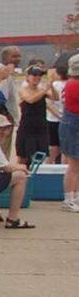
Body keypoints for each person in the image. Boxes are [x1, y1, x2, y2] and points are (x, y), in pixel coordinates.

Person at [0, 46, 23, 155]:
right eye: (14, 56)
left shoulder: (9, 74)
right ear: (5, 57)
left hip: (7, 118)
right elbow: (0, 99)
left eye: (19, 56)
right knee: (1, 152)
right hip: (3, 119)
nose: (18, 59)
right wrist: (6, 118)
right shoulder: (1, 73)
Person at [16, 64, 51, 166]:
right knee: (23, 157)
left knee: (40, 157)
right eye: (34, 75)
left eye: (39, 75)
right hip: (27, 128)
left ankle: (36, 178)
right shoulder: (23, 89)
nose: (37, 78)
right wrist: (44, 90)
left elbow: (55, 97)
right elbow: (30, 100)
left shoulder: (41, 90)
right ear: (28, 77)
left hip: (41, 127)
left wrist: (51, 85)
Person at [60, 54, 79, 211]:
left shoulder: (70, 83)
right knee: (73, 164)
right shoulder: (74, 85)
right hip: (74, 125)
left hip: (72, 123)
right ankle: (68, 198)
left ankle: (76, 195)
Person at [46, 66, 66, 164]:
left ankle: (46, 167)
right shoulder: (72, 84)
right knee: (65, 149)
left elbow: (48, 104)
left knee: (54, 148)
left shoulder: (55, 84)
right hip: (65, 119)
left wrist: (59, 115)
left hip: (53, 119)